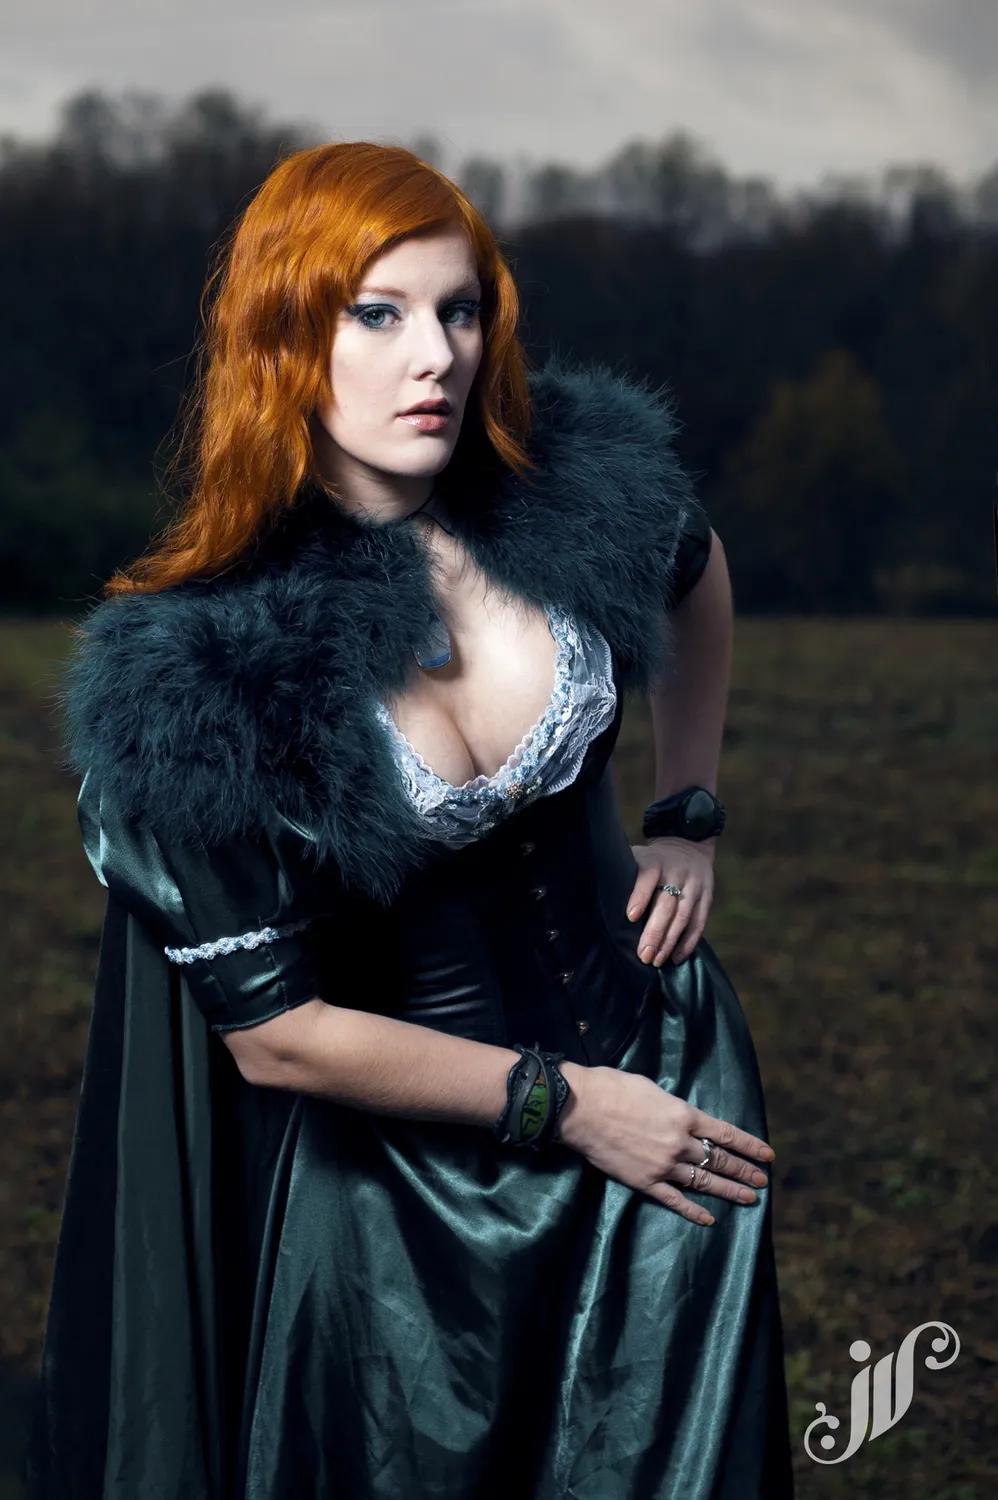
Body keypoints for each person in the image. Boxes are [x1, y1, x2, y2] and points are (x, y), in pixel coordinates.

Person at [26, 142, 794, 1499]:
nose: (435, 355)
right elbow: (275, 1037)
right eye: (376, 314)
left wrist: (687, 808)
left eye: (461, 310)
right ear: (284, 340)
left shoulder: (566, 490)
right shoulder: (196, 670)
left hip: (670, 1093)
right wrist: (570, 1107)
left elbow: (695, 561)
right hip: (402, 1197)